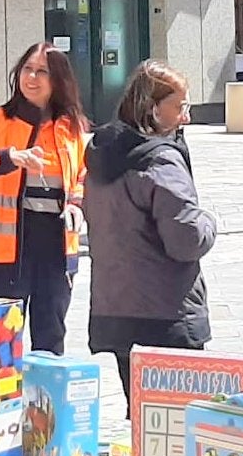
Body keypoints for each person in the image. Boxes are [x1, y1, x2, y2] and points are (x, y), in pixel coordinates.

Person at [83, 60, 217, 402]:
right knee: (177, 421)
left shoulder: (101, 156)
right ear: (153, 110)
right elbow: (186, 240)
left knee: (142, 419)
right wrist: (208, 223)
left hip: (116, 308)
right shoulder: (160, 161)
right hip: (165, 312)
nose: (185, 117)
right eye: (179, 107)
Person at [0, 43, 89, 353]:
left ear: (58, 79)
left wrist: (76, 204)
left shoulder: (71, 126)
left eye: (42, 71)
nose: (32, 77)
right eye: (27, 69)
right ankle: (4, 402)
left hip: (56, 249)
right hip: (6, 253)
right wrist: (8, 157)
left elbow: (84, 174)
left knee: (51, 339)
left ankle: (44, 401)